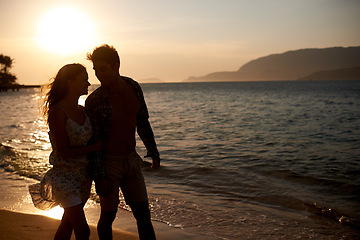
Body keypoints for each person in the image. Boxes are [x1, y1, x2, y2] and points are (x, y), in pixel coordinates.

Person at [85, 44, 160, 240]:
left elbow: (142, 121)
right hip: (109, 164)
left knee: (143, 215)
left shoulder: (133, 87)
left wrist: (153, 150)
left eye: (103, 69)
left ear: (116, 65)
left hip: (132, 160)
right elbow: (93, 143)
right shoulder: (95, 100)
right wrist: (99, 177)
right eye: (95, 71)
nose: (99, 75)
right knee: (108, 216)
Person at [29, 63, 102, 240]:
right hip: (65, 179)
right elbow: (64, 151)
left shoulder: (83, 111)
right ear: (70, 82)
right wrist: (95, 147)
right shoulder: (57, 112)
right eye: (84, 79)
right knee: (83, 230)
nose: (88, 83)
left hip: (83, 178)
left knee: (66, 226)